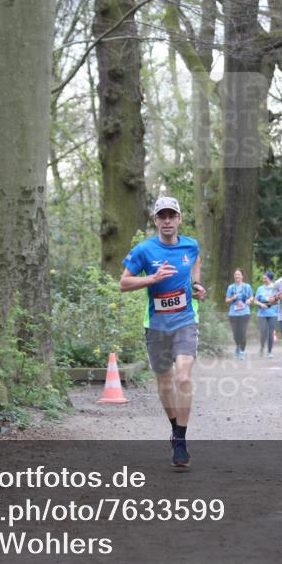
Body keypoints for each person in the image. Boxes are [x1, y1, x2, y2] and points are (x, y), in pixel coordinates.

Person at [120, 196, 206, 469]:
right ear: (156, 220)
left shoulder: (190, 246)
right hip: (156, 325)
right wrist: (152, 279)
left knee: (183, 376)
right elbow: (123, 283)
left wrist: (197, 285)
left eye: (172, 215)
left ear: (179, 219)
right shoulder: (144, 250)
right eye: (162, 216)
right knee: (165, 383)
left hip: (185, 321)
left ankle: (180, 440)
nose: (167, 221)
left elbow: (195, 265)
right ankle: (174, 427)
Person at [224, 268, 253, 360]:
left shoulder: (247, 287)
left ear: (242, 276)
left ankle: (242, 351)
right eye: (236, 275)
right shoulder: (231, 287)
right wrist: (233, 297)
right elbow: (226, 300)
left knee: (243, 332)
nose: (237, 276)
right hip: (233, 313)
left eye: (239, 274)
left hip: (245, 313)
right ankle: (237, 346)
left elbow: (252, 297)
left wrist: (249, 300)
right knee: (236, 334)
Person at [253, 271, 278, 358]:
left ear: (270, 279)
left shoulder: (275, 288)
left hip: (273, 313)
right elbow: (255, 300)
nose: (264, 280)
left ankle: (269, 351)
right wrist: (261, 304)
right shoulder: (260, 289)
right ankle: (262, 347)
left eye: (265, 278)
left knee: (270, 333)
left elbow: (279, 299)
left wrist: (273, 301)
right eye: (263, 278)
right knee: (263, 332)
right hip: (262, 314)